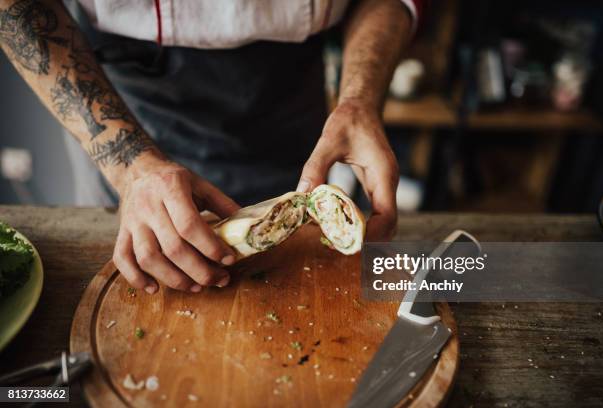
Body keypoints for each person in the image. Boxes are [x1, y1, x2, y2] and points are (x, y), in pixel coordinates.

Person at [0, 0, 420, 293]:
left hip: (289, 97)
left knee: (287, 268)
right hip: (122, 102)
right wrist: (131, 166)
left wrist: (358, 99)